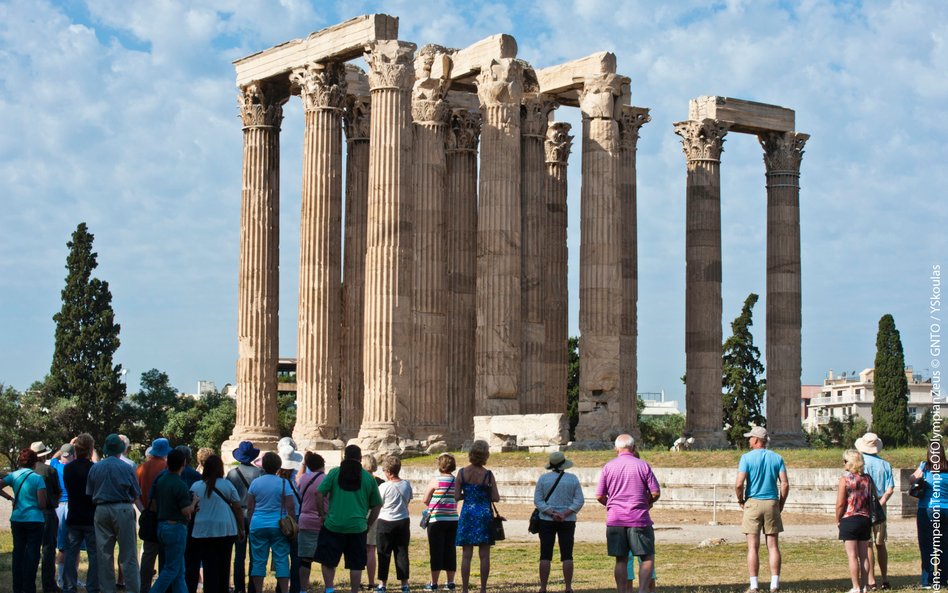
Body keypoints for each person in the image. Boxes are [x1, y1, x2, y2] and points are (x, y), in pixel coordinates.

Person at [595, 435, 660, 593]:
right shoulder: (643, 466)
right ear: (634, 447)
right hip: (639, 518)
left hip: (616, 519)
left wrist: (610, 505)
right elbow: (656, 492)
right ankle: (643, 590)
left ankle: (621, 591)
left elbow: (599, 495)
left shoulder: (608, 467)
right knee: (646, 557)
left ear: (616, 448)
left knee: (621, 560)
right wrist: (646, 503)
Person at [315, 444, 383, 593]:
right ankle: (354, 591)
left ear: (344, 457)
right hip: (358, 526)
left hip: (333, 524)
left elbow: (319, 493)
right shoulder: (368, 478)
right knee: (356, 564)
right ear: (360, 458)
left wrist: (322, 514)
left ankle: (329, 589)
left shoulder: (334, 473)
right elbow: (377, 505)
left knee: (328, 561)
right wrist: (368, 524)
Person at [86, 433, 143, 593]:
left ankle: (107, 590)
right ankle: (132, 589)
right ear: (120, 449)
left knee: (104, 555)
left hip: (101, 509)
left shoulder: (95, 467)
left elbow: (90, 492)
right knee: (128, 555)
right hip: (123, 509)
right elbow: (135, 493)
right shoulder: (127, 467)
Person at [735, 426, 789, 593]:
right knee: (773, 545)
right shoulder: (777, 458)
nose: (749, 440)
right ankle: (775, 584)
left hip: (753, 502)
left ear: (757, 440)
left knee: (753, 546)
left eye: (750, 437)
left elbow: (739, 483)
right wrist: (781, 502)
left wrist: (740, 499)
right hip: (772, 501)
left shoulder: (746, 458)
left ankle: (754, 584)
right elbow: (785, 483)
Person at [190, 454, 243, 593]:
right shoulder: (227, 484)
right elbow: (237, 507)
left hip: (203, 529)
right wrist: (241, 528)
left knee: (209, 566)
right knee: (224, 565)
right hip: (226, 528)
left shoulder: (196, 486)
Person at [148, 448, 199, 593]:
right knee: (170, 569)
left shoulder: (162, 480)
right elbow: (185, 510)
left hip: (162, 525)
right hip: (176, 527)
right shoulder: (180, 484)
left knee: (179, 571)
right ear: (184, 463)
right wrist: (194, 502)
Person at [533, 451, 584, 593]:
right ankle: (568, 587)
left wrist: (551, 512)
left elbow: (538, 501)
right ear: (564, 464)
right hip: (567, 520)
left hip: (546, 520)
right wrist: (564, 513)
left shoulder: (543, 479)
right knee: (567, 554)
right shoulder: (572, 479)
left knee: (545, 554)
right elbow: (579, 500)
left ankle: (543, 587)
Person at [454, 440, 500, 593]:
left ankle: (465, 589)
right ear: (485, 455)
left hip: (467, 513)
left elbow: (455, 496)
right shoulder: (487, 474)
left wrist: (468, 494)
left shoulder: (461, 473)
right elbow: (496, 498)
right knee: (484, 555)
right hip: (484, 514)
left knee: (466, 555)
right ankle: (483, 588)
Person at [1, 447, 49, 593]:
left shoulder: (14, 476)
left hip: (17, 519)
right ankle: (29, 587)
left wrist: (11, 498)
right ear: (35, 463)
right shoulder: (38, 479)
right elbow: (41, 504)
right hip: (35, 520)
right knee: (33, 554)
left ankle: (17, 587)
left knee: (18, 553)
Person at [247, 451, 295, 593]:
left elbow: (250, 507)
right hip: (278, 525)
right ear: (278, 466)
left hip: (258, 523)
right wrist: (293, 523)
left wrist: (250, 523)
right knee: (281, 559)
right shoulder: (283, 482)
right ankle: (284, 590)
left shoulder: (255, 483)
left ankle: (258, 590)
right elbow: (290, 506)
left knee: (258, 561)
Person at [855, 432, 894, 591]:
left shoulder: (860, 464)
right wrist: (880, 503)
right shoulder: (885, 465)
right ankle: (885, 578)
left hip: (864, 504)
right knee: (880, 543)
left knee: (867, 544)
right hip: (880, 504)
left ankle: (871, 580)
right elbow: (890, 489)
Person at [227, 441, 264, 593]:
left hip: (238, 515)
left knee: (239, 555)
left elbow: (228, 496)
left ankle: (239, 588)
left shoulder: (232, 474)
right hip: (254, 515)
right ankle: (253, 588)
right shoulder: (259, 473)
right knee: (255, 555)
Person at [62, 434, 98, 593]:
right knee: (94, 555)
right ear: (90, 449)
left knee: (71, 554)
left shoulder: (68, 468)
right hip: (91, 516)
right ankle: (92, 586)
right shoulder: (93, 468)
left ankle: (69, 586)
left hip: (74, 514)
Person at [137, 437, 172, 593]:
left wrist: (143, 509)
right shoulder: (166, 468)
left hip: (147, 513)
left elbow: (135, 493)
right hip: (163, 515)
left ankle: (144, 587)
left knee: (148, 555)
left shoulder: (140, 468)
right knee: (165, 554)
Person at [912, 441, 948, 589]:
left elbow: (912, 481)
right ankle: (943, 578)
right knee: (944, 545)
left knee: (927, 545)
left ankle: (927, 580)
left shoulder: (925, 467)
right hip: (946, 509)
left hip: (927, 508)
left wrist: (920, 471)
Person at [836, 449, 873, 593]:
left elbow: (840, 503)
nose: (843, 463)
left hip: (849, 517)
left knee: (852, 555)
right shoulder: (867, 479)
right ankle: (865, 586)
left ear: (850, 462)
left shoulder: (845, 479)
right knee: (864, 555)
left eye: (845, 461)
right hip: (865, 518)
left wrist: (837, 519)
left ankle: (856, 586)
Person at [421, 453, 459, 592]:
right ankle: (450, 582)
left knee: (436, 551)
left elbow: (425, 499)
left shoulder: (435, 480)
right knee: (450, 550)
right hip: (453, 519)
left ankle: (434, 583)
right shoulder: (456, 481)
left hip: (437, 519)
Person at [376, 455, 412, 593]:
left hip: (385, 521)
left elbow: (379, 504)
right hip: (403, 521)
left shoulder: (384, 486)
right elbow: (408, 500)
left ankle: (382, 583)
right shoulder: (406, 484)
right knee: (402, 552)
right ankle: (404, 583)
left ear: (388, 472)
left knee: (383, 553)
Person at [31, 441, 63, 593]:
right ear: (45, 455)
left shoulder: (25, 471)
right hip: (48, 513)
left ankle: (28, 583)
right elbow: (58, 492)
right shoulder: (49, 471)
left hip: (30, 513)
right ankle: (49, 585)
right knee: (48, 550)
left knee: (30, 549)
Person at [297, 452, 327, 593]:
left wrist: (303, 463)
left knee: (305, 559)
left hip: (305, 520)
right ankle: (329, 587)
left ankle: (303, 588)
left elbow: (297, 483)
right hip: (323, 521)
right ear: (322, 465)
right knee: (327, 560)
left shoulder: (303, 479)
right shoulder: (326, 479)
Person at [277, 438, 304, 593]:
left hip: (279, 519)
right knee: (296, 557)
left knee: (280, 557)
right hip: (295, 519)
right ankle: (295, 588)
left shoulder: (276, 481)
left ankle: (280, 589)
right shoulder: (297, 480)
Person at [174, 445, 202, 593]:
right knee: (192, 556)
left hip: (174, 519)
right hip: (193, 520)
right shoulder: (196, 476)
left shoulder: (167, 476)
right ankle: (190, 586)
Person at [50, 443, 74, 590]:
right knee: (68, 545)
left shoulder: (55, 466)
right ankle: (64, 578)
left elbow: (54, 457)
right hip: (69, 505)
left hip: (58, 505)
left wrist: (64, 447)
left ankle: (60, 577)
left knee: (61, 544)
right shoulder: (73, 468)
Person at [362, 454, 385, 591]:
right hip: (375, 514)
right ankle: (371, 581)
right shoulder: (380, 481)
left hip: (361, 513)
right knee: (371, 549)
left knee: (359, 548)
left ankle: (357, 578)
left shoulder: (360, 480)